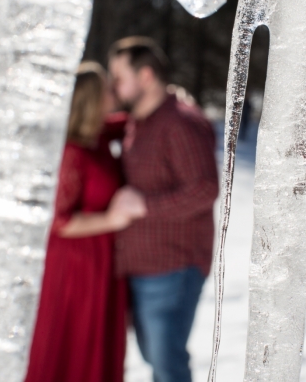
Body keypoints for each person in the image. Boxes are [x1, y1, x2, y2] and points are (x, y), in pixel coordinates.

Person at [24, 62, 145, 382]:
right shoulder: (72, 151)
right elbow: (60, 222)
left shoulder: (99, 135)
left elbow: (131, 120)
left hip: (102, 262)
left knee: (99, 348)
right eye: (107, 88)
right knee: (72, 347)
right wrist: (112, 219)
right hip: (75, 266)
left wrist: (159, 101)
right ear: (92, 99)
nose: (114, 91)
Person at [108, 37, 219, 382]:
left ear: (145, 76)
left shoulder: (180, 122)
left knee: (167, 364)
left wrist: (144, 205)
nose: (114, 86)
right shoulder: (139, 120)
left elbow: (204, 189)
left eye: (119, 77)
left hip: (173, 267)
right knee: (154, 357)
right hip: (142, 268)